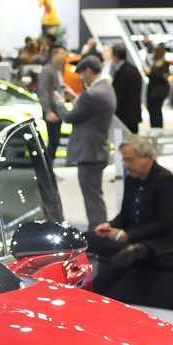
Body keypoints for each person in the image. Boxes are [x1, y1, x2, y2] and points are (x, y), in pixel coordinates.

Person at [87, 134, 173, 294]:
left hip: (162, 240)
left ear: (147, 157)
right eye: (124, 160)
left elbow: (165, 223)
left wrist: (128, 235)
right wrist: (109, 226)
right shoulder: (132, 178)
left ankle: (93, 293)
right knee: (88, 238)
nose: (125, 165)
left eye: (130, 160)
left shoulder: (165, 180)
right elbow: (124, 214)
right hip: (135, 234)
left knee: (127, 255)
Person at [57, 57, 115, 228]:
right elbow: (89, 110)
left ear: (88, 71)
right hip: (98, 150)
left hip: (89, 153)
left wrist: (59, 103)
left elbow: (70, 117)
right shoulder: (106, 88)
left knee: (92, 199)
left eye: (82, 74)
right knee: (94, 196)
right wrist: (75, 98)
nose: (81, 78)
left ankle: (98, 232)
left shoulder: (91, 94)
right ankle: (99, 230)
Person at [35, 44, 70, 159]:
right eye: (62, 53)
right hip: (52, 112)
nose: (65, 56)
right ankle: (48, 166)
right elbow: (43, 91)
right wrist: (48, 111)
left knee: (55, 141)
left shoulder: (58, 70)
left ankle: (49, 166)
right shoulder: (47, 70)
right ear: (55, 55)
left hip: (58, 110)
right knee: (53, 141)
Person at [109, 43, 143, 135]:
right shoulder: (133, 69)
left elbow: (118, 96)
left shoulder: (122, 73)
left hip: (123, 117)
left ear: (115, 56)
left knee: (121, 141)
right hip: (133, 115)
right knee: (133, 140)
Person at [145, 44, 172, 129]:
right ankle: (154, 127)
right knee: (152, 110)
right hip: (153, 90)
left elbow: (161, 77)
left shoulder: (165, 64)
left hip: (158, 91)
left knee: (156, 110)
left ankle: (158, 127)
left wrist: (150, 73)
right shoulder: (154, 63)